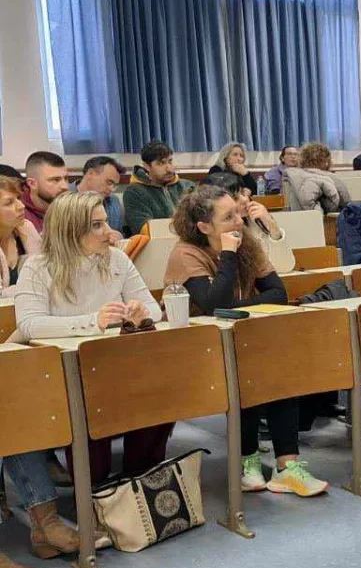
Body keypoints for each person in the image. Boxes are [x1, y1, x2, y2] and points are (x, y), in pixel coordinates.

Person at [165, 185, 328, 496]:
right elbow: (213, 305)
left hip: (243, 339)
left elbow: (278, 293)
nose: (239, 222)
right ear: (204, 227)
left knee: (277, 371)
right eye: (228, 218)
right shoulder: (186, 254)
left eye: (237, 214)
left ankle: (286, 467)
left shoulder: (247, 243)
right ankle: (248, 461)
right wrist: (228, 254)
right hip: (197, 347)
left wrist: (235, 308)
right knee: (248, 369)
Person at [15, 191, 172, 485]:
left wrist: (139, 314)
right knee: (90, 410)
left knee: (161, 396)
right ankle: (96, 491)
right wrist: (93, 321)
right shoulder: (38, 267)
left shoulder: (117, 259)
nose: (109, 232)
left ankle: (137, 482)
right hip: (65, 373)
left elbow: (152, 309)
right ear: (70, 230)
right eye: (97, 225)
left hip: (115, 364)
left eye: (106, 222)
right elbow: (30, 325)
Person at [202, 171, 295, 273]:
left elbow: (284, 267)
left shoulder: (256, 220)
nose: (245, 200)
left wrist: (272, 226)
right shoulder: (215, 231)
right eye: (235, 197)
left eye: (243, 193)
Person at [122, 140, 195, 236]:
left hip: (191, 240)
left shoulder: (188, 186)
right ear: (147, 166)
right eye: (161, 163)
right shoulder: (134, 192)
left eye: (170, 161)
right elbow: (144, 230)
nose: (169, 169)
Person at [282, 142, 351, 213]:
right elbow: (346, 203)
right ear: (326, 162)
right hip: (327, 217)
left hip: (296, 217)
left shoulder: (292, 177)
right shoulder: (334, 179)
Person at [0, 176, 40, 297]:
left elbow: (45, 276)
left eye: (18, 198)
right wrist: (32, 289)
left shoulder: (27, 229)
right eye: (9, 202)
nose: (21, 206)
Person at [75, 156, 127, 236]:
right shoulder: (62, 199)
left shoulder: (113, 201)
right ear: (90, 174)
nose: (112, 189)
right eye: (109, 182)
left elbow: (119, 233)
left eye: (115, 185)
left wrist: (119, 238)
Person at [22, 151, 70, 232]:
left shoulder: (72, 209)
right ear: (32, 183)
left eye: (66, 178)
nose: (65, 186)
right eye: (55, 180)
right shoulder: (17, 214)